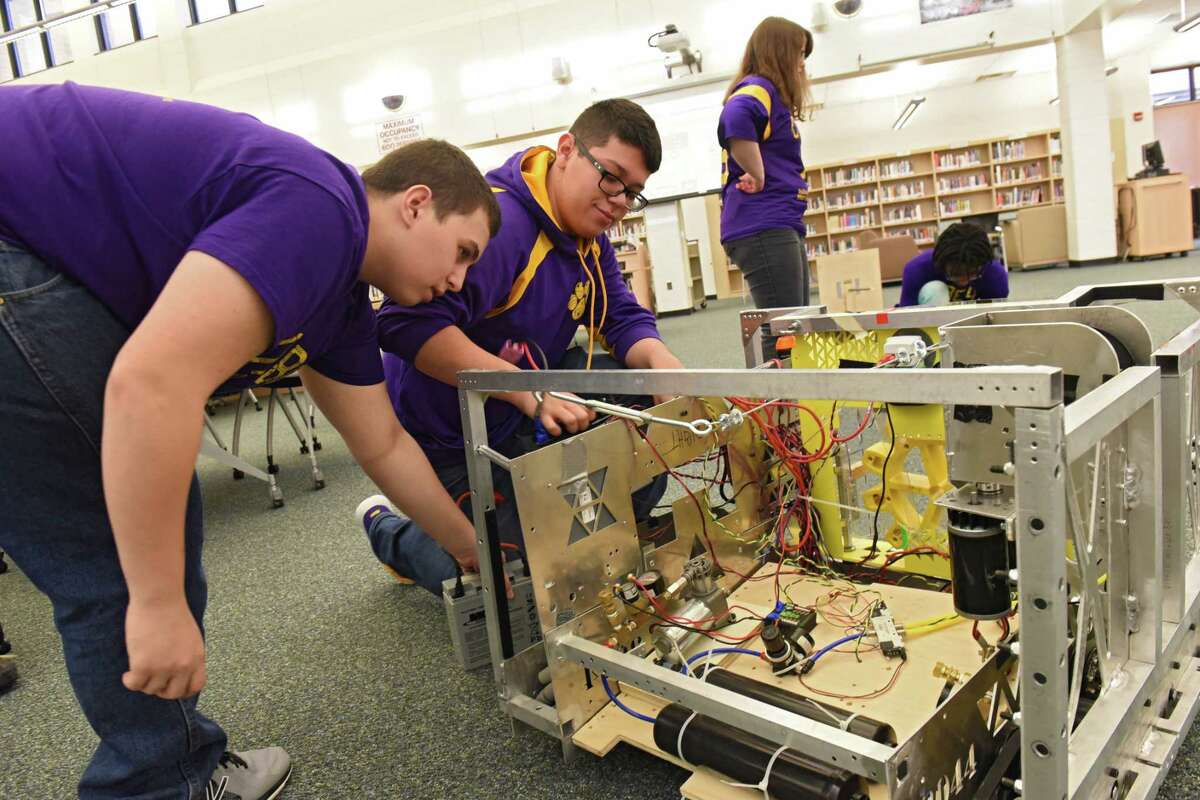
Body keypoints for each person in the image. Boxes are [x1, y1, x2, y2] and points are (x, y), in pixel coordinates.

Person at [0, 82, 499, 800]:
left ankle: (169, 769)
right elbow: (151, 384)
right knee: (128, 541)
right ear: (416, 202)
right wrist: (158, 602)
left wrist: (465, 548)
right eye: (462, 251)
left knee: (112, 537)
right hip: (15, 248)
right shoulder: (323, 207)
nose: (457, 279)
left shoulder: (339, 298)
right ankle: (165, 784)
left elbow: (382, 443)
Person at [356, 99, 685, 595]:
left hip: (526, 412)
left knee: (643, 409)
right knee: (510, 572)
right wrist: (523, 391)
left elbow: (620, 317)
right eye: (611, 177)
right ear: (567, 150)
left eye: (633, 192)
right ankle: (391, 531)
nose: (619, 200)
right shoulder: (501, 225)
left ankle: (595, 529)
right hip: (452, 438)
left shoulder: (587, 236)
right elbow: (404, 324)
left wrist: (666, 369)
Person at [718, 16, 815, 359]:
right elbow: (736, 115)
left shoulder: (771, 95)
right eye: (798, 54)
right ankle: (783, 411)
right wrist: (756, 172)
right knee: (783, 330)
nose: (802, 64)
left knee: (794, 325)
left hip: (777, 221)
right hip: (763, 222)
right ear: (780, 52)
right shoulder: (759, 88)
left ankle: (795, 409)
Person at [897, 222, 1009, 307]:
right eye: (956, 274)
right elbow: (907, 316)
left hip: (970, 321)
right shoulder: (917, 269)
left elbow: (994, 316)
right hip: (928, 320)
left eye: (973, 274)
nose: (963, 282)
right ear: (942, 264)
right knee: (935, 289)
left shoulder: (995, 275)